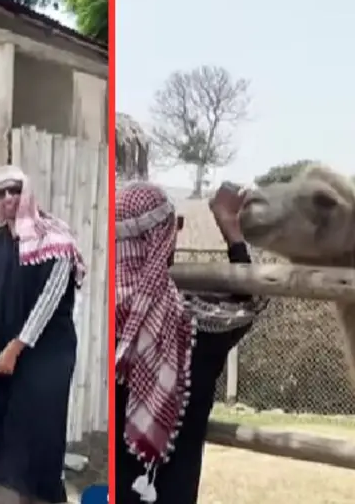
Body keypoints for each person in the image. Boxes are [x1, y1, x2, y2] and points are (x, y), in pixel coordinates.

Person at [115, 181, 269, 504]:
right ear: (165, 235)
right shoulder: (196, 326)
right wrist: (231, 231)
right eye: (176, 225)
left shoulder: (96, 319)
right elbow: (252, 300)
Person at [0, 165, 86, 504]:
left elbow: (49, 302)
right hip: (11, 351)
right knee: (16, 439)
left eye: (14, 190)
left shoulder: (56, 239)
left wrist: (15, 347)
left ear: (26, 193)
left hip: (47, 352)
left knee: (43, 436)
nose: (8, 198)